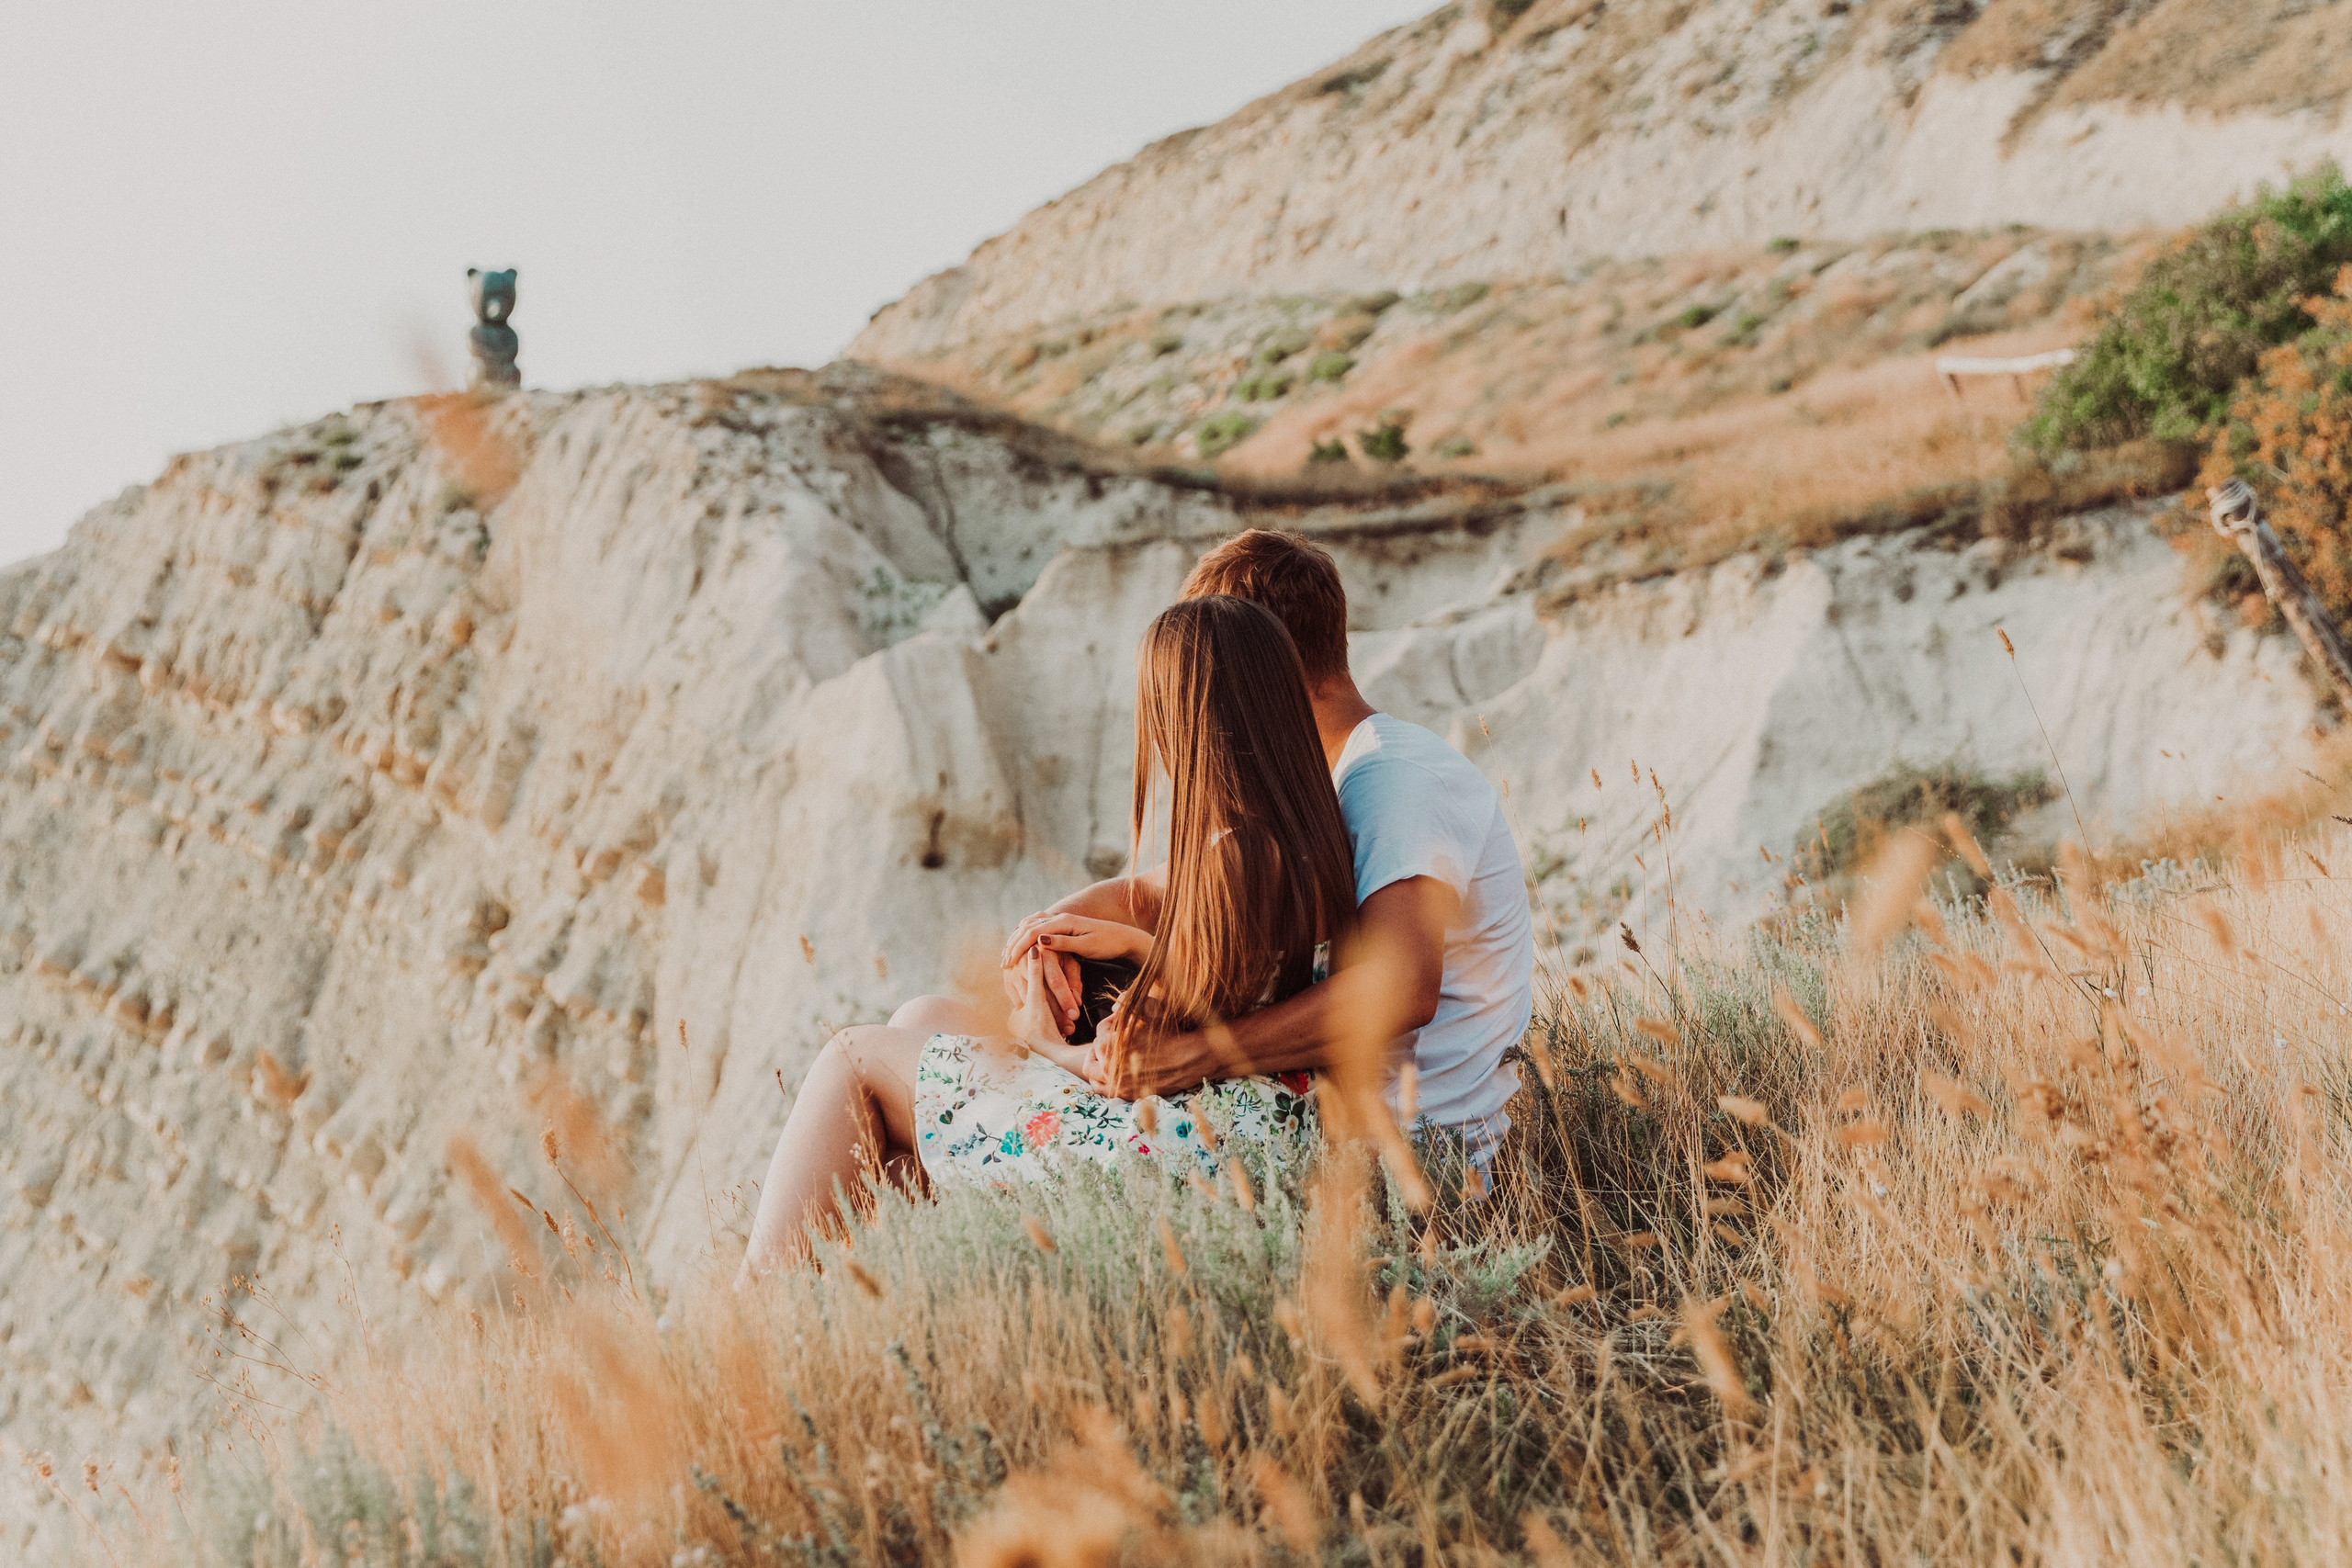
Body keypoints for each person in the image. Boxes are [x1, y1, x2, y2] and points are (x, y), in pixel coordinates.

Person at [738, 594, 1359, 1280]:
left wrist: (1037, 1040)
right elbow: (1187, 942)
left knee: (852, 1058)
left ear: (1188, 721)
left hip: (1184, 1155)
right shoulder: (1301, 835)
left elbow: (1126, 1069)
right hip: (1249, 1130)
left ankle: (755, 1305)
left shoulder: (1238, 856)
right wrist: (1089, 937)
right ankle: (858, 1303)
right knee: (922, 1020)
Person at [1004, 528, 1534, 1168]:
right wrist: (1042, 940)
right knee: (938, 1033)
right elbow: (1155, 891)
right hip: (1317, 1124)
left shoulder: (1396, 779)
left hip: (1403, 1155)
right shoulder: (1316, 781)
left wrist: (1196, 1054)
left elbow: (1401, 985)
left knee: (930, 1063)